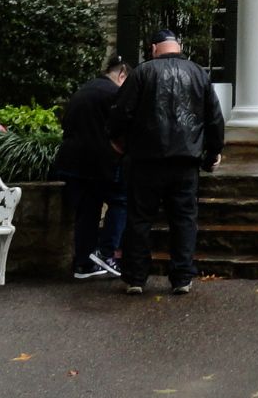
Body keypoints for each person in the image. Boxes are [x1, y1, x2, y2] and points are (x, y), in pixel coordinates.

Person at [109, 28, 225, 296]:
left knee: (139, 219)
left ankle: (136, 278)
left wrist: (117, 141)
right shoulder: (198, 73)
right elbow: (214, 117)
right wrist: (212, 152)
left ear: (153, 48)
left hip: (146, 159)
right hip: (185, 161)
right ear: (178, 46)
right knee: (184, 219)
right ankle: (182, 277)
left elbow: (121, 111)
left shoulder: (142, 72)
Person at [53, 54, 129, 279]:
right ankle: (106, 252)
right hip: (100, 160)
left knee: (87, 210)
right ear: (122, 73)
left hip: (70, 161)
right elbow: (120, 127)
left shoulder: (81, 91)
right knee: (121, 201)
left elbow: (66, 124)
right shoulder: (115, 94)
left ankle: (83, 263)